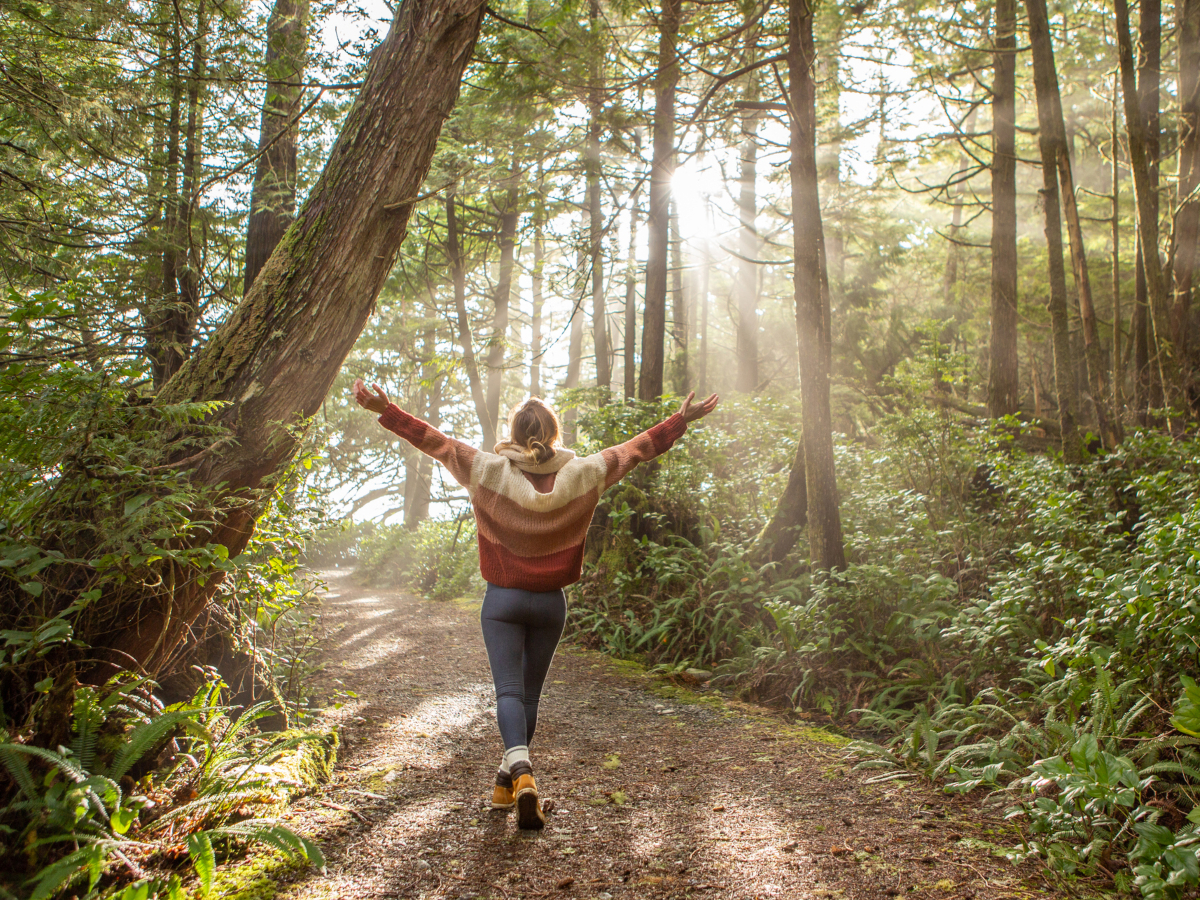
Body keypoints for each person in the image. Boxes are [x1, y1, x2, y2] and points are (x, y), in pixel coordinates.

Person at [353, 379, 719, 829]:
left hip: (502, 600)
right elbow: (636, 449)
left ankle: (521, 774)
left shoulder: (485, 468)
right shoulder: (584, 472)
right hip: (551, 605)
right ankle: (506, 785)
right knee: (529, 695)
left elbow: (434, 442)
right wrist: (681, 420)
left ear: (514, 431)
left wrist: (386, 410)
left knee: (508, 692)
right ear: (553, 433)